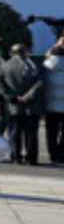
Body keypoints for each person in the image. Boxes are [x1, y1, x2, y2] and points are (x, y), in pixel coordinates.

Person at [0, 42, 46, 165]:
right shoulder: (35, 65)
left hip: (14, 104)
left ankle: (16, 156)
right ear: (25, 52)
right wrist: (28, 96)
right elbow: (40, 83)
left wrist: (10, 96)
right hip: (32, 105)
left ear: (12, 53)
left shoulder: (4, 66)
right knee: (31, 133)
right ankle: (31, 158)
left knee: (14, 132)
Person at [46, 36, 64, 165]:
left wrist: (55, 46)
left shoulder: (47, 66)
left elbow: (48, 55)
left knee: (51, 132)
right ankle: (62, 154)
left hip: (50, 105)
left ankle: (53, 155)